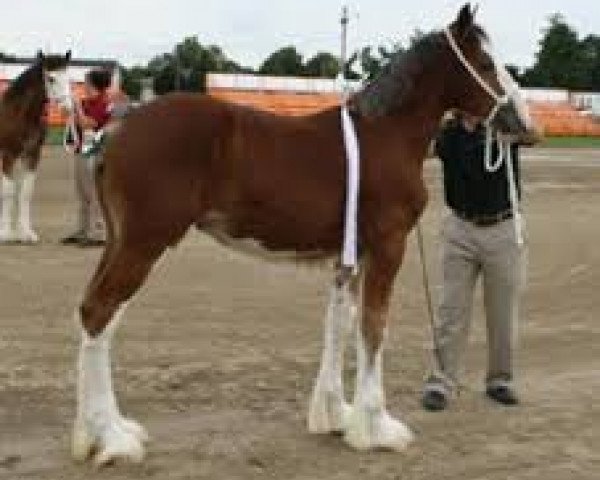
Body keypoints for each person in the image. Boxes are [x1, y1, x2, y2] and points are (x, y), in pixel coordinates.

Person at [421, 110, 540, 411]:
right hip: (459, 229)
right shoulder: (447, 132)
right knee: (451, 310)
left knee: (502, 312)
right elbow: (419, 151)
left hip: (503, 229)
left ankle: (500, 380)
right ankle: (441, 383)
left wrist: (514, 131)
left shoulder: (501, 122)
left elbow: (536, 135)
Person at [62, 68, 112, 246]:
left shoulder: (103, 103)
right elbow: (69, 118)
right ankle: (83, 230)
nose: (85, 85)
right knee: (82, 193)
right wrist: (72, 107)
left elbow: (87, 124)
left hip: (96, 151)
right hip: (83, 150)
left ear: (95, 84)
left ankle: (98, 233)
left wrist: (77, 108)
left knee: (94, 193)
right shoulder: (86, 102)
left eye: (87, 82)